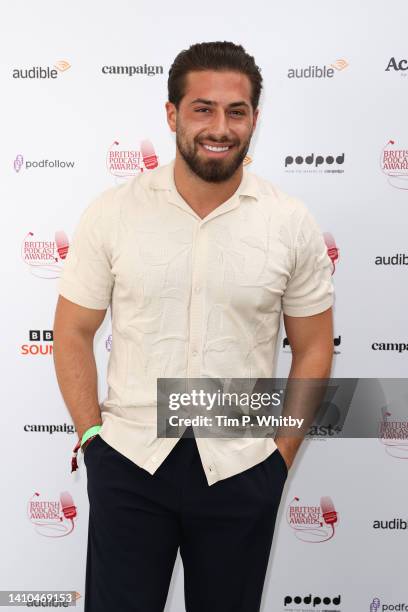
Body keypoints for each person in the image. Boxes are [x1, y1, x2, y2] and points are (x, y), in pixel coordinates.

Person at [53, 41, 334, 612]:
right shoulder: (113, 212)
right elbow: (72, 331)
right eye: (203, 108)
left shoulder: (290, 222)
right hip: (129, 464)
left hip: (242, 467)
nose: (221, 127)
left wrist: (279, 457)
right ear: (172, 114)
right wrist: (91, 438)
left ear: (255, 118)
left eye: (237, 111)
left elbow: (312, 348)